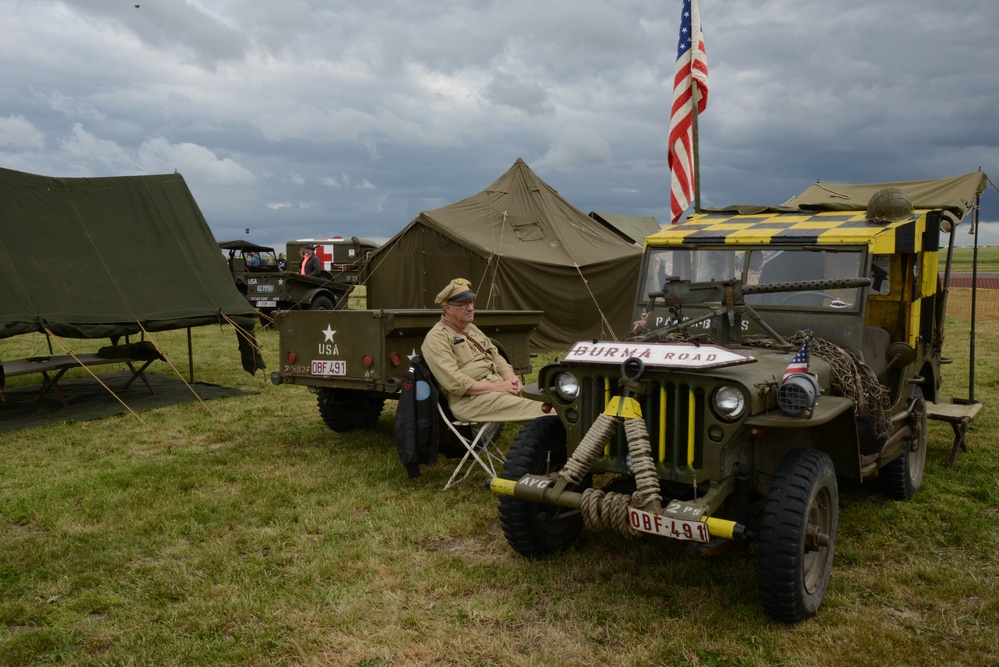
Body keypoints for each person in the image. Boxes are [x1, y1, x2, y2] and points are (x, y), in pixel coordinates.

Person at [421, 278, 547, 423]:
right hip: (469, 400)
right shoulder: (437, 338)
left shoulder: (470, 329)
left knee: (551, 400)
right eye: (463, 304)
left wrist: (511, 378)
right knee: (545, 410)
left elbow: (496, 356)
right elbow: (456, 383)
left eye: (471, 302)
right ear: (447, 308)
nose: (470, 308)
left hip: (495, 388)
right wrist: (499, 387)